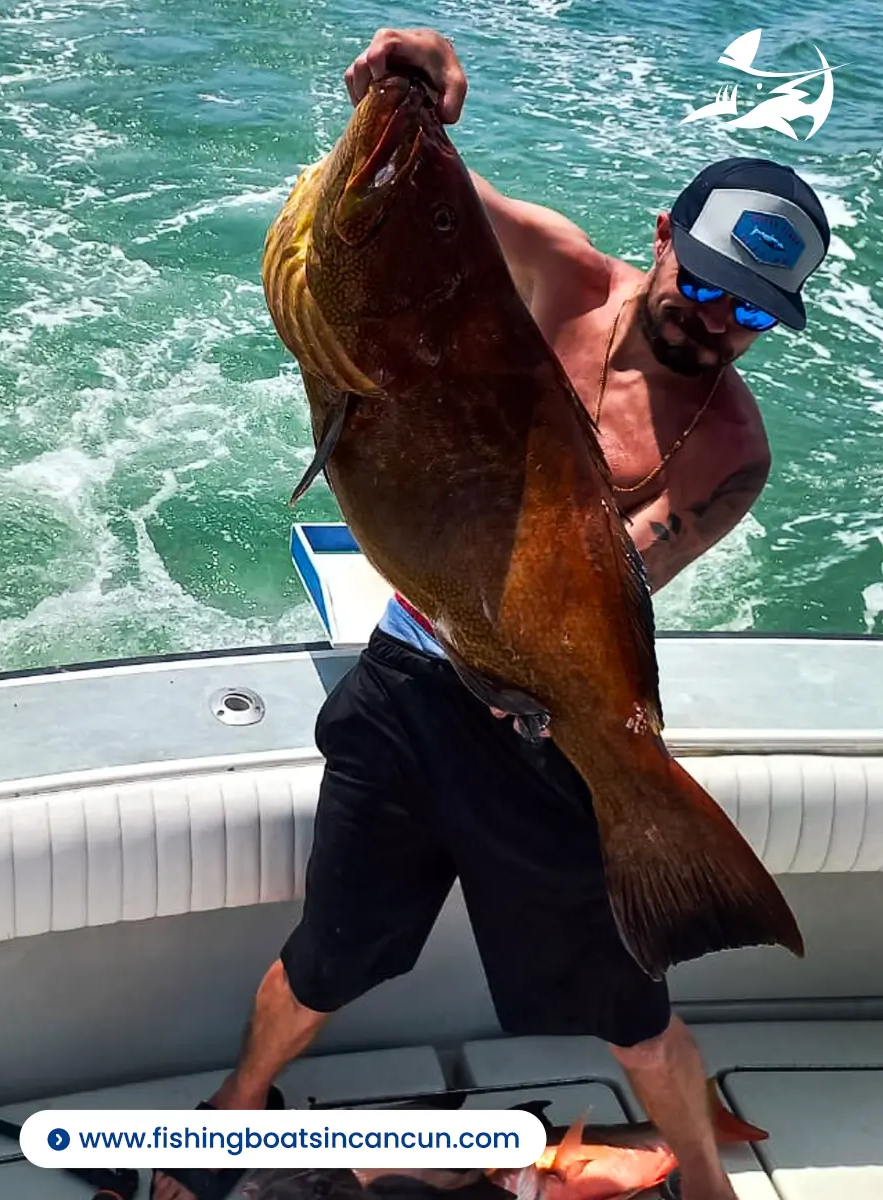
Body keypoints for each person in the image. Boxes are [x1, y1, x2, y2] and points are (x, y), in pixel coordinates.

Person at [154, 26, 831, 1200]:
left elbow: (603, 581)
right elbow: (421, 211)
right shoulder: (562, 273)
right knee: (326, 960)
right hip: (410, 679)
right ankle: (235, 1106)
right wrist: (408, 91)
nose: (714, 321)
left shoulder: (731, 450)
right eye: (705, 283)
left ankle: (708, 1189)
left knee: (627, 1007)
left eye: (753, 314)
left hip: (547, 724)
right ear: (664, 237)